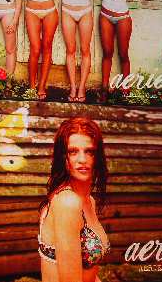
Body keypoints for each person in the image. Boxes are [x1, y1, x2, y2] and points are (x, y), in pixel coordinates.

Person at [38, 118, 110, 282]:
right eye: (73, 151)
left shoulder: (88, 200)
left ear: (97, 156)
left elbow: (89, 273)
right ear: (63, 157)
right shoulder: (67, 202)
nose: (82, 159)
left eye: (89, 151)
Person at [93, 0, 137, 103]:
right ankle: (104, 89)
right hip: (105, 15)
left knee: (123, 54)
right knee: (107, 53)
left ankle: (125, 90)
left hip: (122, 17)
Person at [18, 0, 60, 100]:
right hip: (32, 11)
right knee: (35, 49)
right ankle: (31, 87)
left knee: (46, 47)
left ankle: (42, 86)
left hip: (50, 11)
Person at [56, 0, 98, 103]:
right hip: (68, 11)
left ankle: (82, 88)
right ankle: (73, 87)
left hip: (85, 12)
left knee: (85, 50)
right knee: (71, 50)